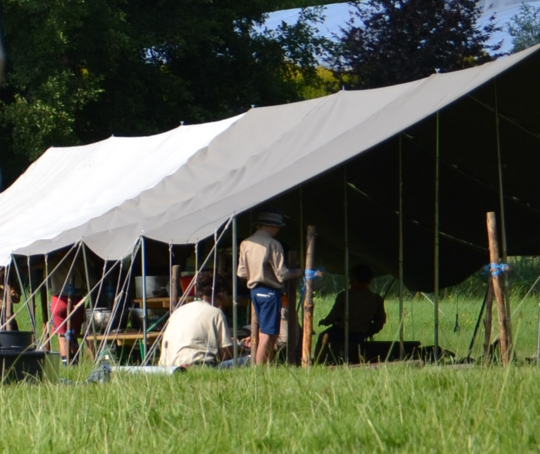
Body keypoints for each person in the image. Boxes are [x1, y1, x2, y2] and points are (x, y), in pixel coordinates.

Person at [237, 209, 304, 365]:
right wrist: (301, 272)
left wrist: (256, 274)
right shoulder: (274, 244)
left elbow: (241, 273)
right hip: (269, 291)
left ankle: (267, 367)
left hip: (255, 291)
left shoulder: (246, 243)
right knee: (267, 334)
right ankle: (258, 370)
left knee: (271, 332)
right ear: (273, 227)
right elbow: (282, 274)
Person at [159, 271, 236, 367]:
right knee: (248, 360)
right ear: (221, 293)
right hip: (195, 364)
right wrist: (239, 348)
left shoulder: (179, 310)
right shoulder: (216, 313)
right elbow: (225, 356)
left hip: (167, 366)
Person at [314, 264, 386, 363]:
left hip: (341, 331)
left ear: (354, 279)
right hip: (361, 333)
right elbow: (380, 321)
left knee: (323, 337)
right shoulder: (376, 299)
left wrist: (325, 321)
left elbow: (333, 315)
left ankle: (318, 362)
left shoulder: (344, 296)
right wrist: (369, 330)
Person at [48, 249, 89, 365]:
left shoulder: (52, 260)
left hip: (58, 299)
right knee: (73, 334)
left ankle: (66, 365)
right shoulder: (79, 259)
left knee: (62, 336)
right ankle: (75, 364)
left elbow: (47, 283)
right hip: (77, 299)